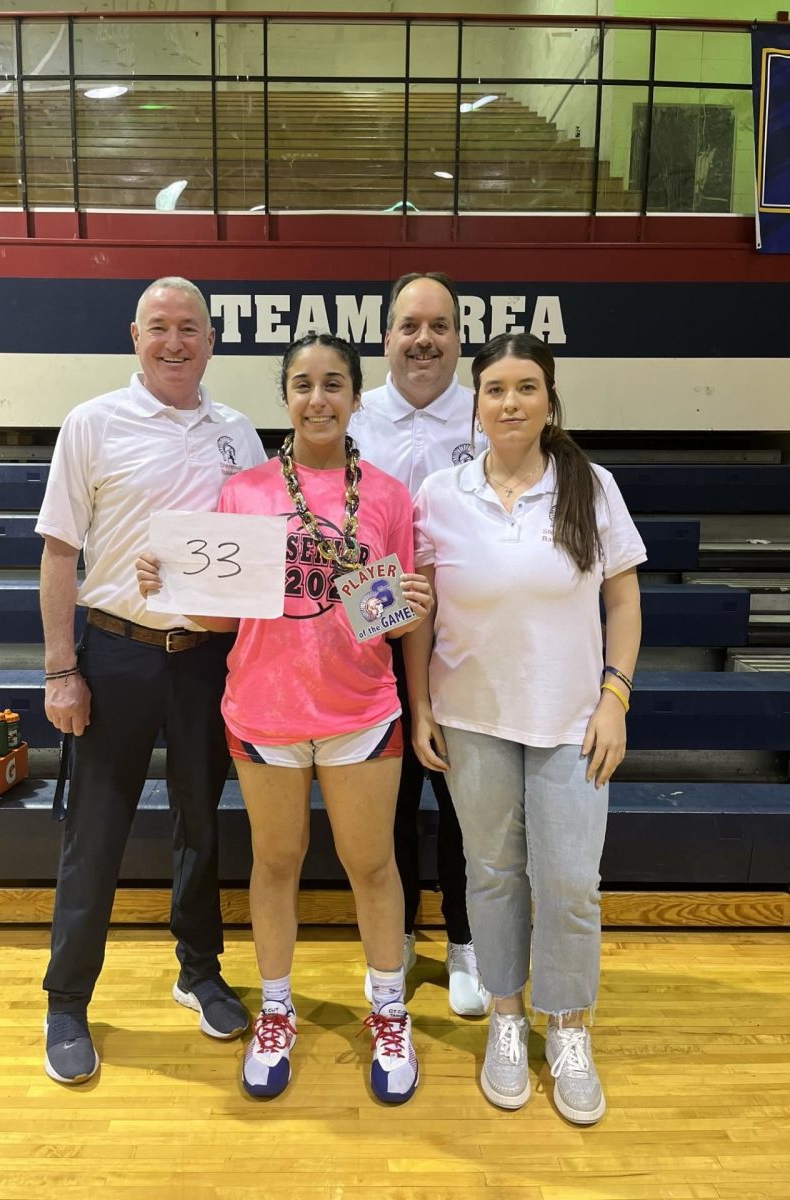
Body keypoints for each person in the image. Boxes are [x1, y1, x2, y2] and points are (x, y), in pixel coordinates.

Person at [137, 333, 433, 1104]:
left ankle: (388, 1011)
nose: (318, 398)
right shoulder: (248, 493)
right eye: (302, 384)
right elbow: (225, 618)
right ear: (286, 398)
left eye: (334, 384)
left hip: (360, 710)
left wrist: (413, 606)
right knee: (275, 865)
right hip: (265, 712)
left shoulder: (391, 496)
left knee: (372, 867)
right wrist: (167, 580)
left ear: (356, 397)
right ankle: (276, 1011)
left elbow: (395, 618)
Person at [405, 332, 645, 1124]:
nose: (510, 402)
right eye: (496, 388)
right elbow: (418, 609)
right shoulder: (441, 494)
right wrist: (421, 704)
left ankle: (568, 1026)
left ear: (550, 400)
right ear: (474, 403)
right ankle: (507, 1019)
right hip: (472, 718)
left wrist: (616, 695)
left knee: (571, 885)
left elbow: (622, 598)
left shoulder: (591, 485)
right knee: (493, 876)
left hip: (573, 721)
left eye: (526, 387)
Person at [36, 276, 267, 1085]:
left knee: (202, 823)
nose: (176, 342)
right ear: (134, 335)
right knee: (94, 833)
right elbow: (60, 553)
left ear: (212, 340)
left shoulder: (239, 434)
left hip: (205, 662)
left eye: (191, 328)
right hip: (117, 651)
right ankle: (67, 999)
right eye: (160, 327)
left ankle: (198, 971)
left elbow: (256, 556)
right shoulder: (92, 423)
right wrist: (62, 669)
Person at [349, 271, 489, 1016]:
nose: (424, 339)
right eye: (410, 326)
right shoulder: (353, 419)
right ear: (387, 338)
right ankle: (396, 934)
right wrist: (385, 613)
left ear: (459, 338)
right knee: (389, 805)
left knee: (466, 806)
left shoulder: (487, 416)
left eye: (439, 326)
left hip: (467, 653)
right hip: (375, 655)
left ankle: (464, 940)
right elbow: (336, 542)